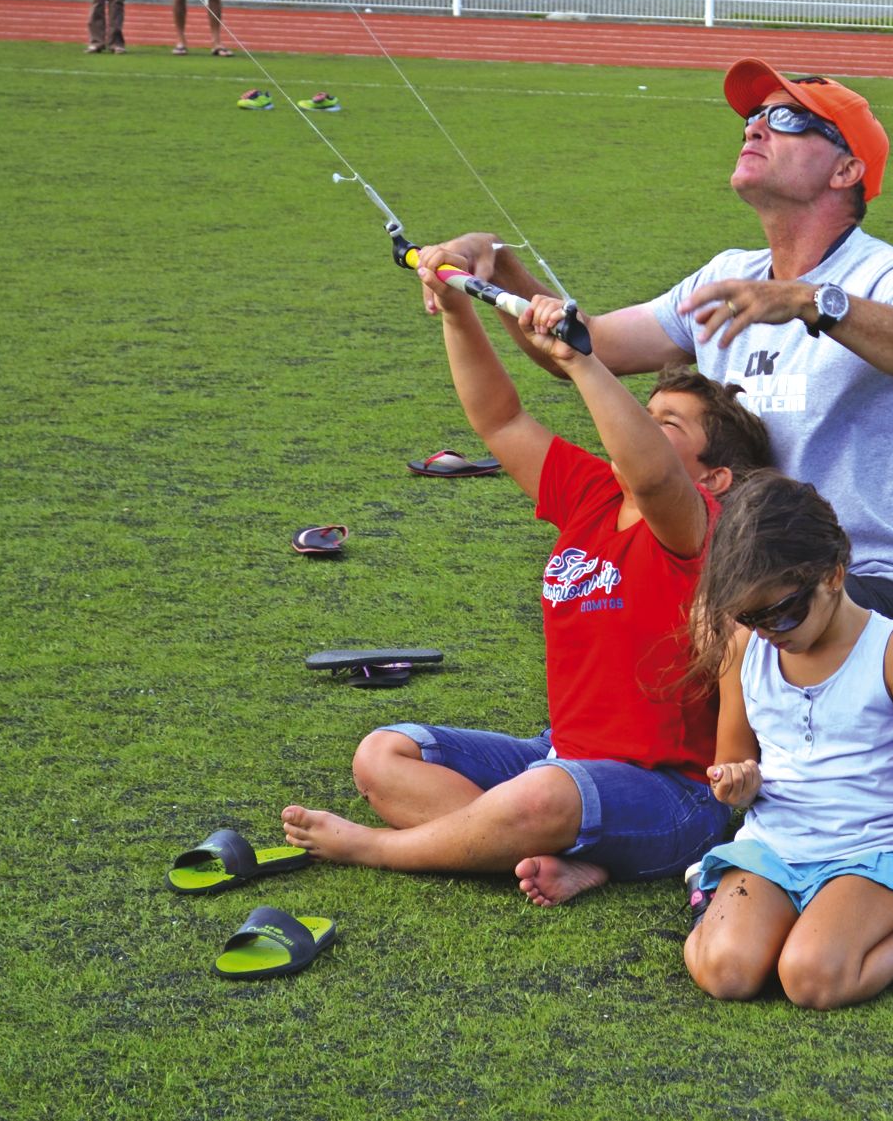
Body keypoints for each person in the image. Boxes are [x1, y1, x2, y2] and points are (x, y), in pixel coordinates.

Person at [412, 59, 893, 684]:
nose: (756, 128)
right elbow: (588, 344)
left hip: (887, 588)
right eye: (753, 116)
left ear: (846, 170)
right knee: (629, 598)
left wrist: (810, 300)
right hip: (749, 585)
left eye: (787, 119)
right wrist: (496, 262)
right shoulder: (725, 275)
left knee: (731, 621)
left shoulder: (887, 273)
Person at [281, 278, 775, 906]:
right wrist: (456, 309)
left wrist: (580, 358)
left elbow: (653, 475)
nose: (641, 427)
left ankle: (379, 848)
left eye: (667, 423)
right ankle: (554, 850)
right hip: (561, 757)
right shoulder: (594, 494)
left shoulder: (696, 524)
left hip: (672, 794)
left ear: (714, 474)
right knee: (383, 755)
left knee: (540, 796)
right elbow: (499, 417)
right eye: (645, 415)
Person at [682, 472, 893, 1008]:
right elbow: (731, 766)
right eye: (748, 615)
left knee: (811, 977)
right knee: (726, 971)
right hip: (775, 846)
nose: (768, 629)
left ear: (833, 576)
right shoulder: (746, 648)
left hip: (871, 852)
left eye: (783, 611)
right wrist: (736, 783)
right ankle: (718, 901)